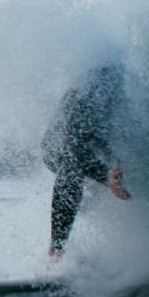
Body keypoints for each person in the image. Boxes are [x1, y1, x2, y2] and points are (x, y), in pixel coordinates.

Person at [42, 65, 131, 258]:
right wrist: (106, 176)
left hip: (91, 139)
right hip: (57, 146)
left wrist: (115, 167)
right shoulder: (96, 93)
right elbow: (75, 144)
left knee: (111, 178)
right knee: (73, 168)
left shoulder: (131, 92)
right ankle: (56, 250)